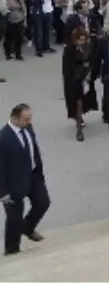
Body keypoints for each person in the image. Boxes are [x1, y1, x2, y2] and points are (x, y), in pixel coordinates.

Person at [0, 103, 50, 256]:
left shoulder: (28, 129)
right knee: (14, 217)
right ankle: (12, 250)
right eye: (26, 119)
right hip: (13, 182)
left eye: (30, 118)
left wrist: (40, 174)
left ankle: (27, 228)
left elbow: (34, 151)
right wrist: (3, 192)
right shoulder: (3, 137)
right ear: (15, 118)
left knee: (43, 203)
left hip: (33, 176)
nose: (29, 122)